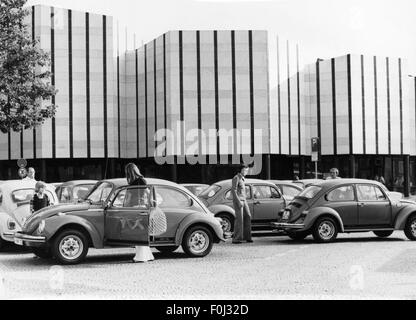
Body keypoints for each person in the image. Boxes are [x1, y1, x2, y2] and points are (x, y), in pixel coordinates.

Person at [125, 163, 154, 263]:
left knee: (137, 234)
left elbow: (128, 199)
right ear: (136, 170)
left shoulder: (130, 184)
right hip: (142, 207)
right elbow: (147, 194)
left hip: (134, 209)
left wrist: (125, 207)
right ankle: (148, 255)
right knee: (142, 233)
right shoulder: (142, 180)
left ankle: (141, 257)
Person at [231, 164, 253, 244]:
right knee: (239, 219)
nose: (246, 171)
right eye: (245, 170)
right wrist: (238, 201)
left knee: (248, 216)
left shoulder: (242, 179)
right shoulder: (236, 178)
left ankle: (247, 237)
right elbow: (233, 190)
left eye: (247, 170)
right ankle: (236, 239)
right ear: (241, 170)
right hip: (239, 201)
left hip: (244, 200)